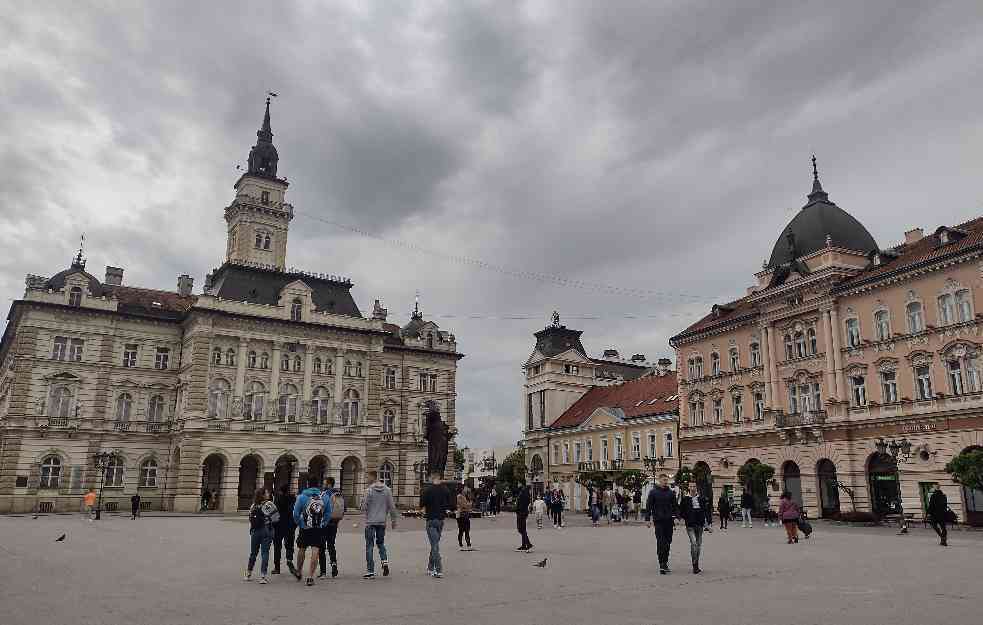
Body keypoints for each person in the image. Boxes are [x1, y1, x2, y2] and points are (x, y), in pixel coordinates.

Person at [292, 475, 332, 586]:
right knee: (315, 551)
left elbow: (295, 514)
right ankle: (310, 577)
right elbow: (328, 513)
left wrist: (300, 523)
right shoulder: (324, 497)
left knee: (302, 549)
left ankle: (299, 572)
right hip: (318, 527)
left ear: (308, 484)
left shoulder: (301, 497)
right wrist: (323, 523)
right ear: (318, 485)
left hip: (305, 527)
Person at [361, 470, 398, 579]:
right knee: (381, 544)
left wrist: (364, 503)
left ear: (373, 477)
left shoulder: (369, 491)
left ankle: (370, 570)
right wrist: (393, 520)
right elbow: (392, 506)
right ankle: (384, 562)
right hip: (382, 522)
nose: (366, 479)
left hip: (370, 522)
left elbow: (363, 507)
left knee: (369, 546)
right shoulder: (387, 490)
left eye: (367, 477)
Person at [420, 471, 453, 578]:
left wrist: (424, 508)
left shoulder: (427, 490)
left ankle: (438, 569)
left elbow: (422, 504)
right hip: (440, 520)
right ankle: (430, 567)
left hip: (430, 520)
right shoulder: (446, 490)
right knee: (435, 544)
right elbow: (450, 504)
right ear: (440, 478)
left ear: (432, 477)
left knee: (434, 546)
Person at [645, 474, 679, 574]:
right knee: (661, 542)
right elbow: (648, 506)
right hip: (658, 521)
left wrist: (677, 517)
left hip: (669, 521)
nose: (665, 481)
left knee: (668, 542)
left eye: (666, 480)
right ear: (659, 480)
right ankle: (662, 564)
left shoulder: (671, 493)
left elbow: (675, 506)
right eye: (664, 480)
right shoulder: (653, 492)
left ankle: (665, 561)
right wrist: (648, 519)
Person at [245, 488, 276, 584]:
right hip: (266, 530)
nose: (268, 493)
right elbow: (276, 518)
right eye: (266, 492)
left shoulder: (253, 505)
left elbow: (250, 518)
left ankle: (248, 573)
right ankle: (263, 576)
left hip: (255, 531)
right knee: (265, 553)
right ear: (263, 495)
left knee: (253, 553)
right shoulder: (269, 505)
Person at [318, 477, 343, 579]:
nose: (323, 485)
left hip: (325, 523)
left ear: (328, 484)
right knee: (331, 545)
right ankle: (334, 564)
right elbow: (343, 509)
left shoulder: (325, 494)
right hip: (334, 522)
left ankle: (323, 571)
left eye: (324, 483)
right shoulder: (339, 494)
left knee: (321, 547)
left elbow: (320, 508)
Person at [679, 483, 707, 574]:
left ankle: (696, 564)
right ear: (688, 488)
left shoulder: (701, 499)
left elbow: (705, 511)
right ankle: (694, 565)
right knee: (694, 543)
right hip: (690, 525)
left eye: (694, 486)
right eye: (691, 486)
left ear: (696, 487)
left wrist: (708, 524)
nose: (692, 488)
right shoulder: (685, 499)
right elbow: (681, 511)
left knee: (698, 546)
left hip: (700, 525)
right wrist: (685, 517)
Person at [272, 485, 297, 576]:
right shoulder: (293, 499)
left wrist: (273, 525)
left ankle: (277, 567)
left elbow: (274, 513)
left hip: (278, 526)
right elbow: (296, 512)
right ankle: (289, 560)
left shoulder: (277, 499)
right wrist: (294, 525)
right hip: (290, 525)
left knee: (277, 546)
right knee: (289, 545)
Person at [514, 483, 533, 551]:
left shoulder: (523, 495)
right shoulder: (526, 494)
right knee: (522, 529)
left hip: (521, 513)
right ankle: (525, 544)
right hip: (523, 513)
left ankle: (527, 544)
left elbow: (520, 505)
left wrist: (516, 509)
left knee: (521, 529)